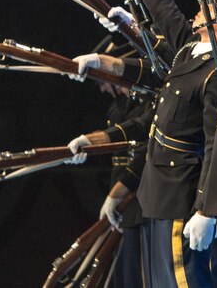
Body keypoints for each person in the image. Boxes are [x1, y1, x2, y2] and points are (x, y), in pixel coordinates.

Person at [76, 0, 217, 288]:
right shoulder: (188, 53)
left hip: (184, 194)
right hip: (157, 192)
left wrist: (205, 209)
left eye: (210, 7)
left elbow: (216, 146)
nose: (200, 5)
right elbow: (161, 4)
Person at [65, 39, 155, 288]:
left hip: (145, 203)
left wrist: (117, 195)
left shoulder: (150, 102)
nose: (104, 88)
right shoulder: (120, 108)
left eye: (104, 79)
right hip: (129, 208)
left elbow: (143, 142)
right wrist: (88, 143)